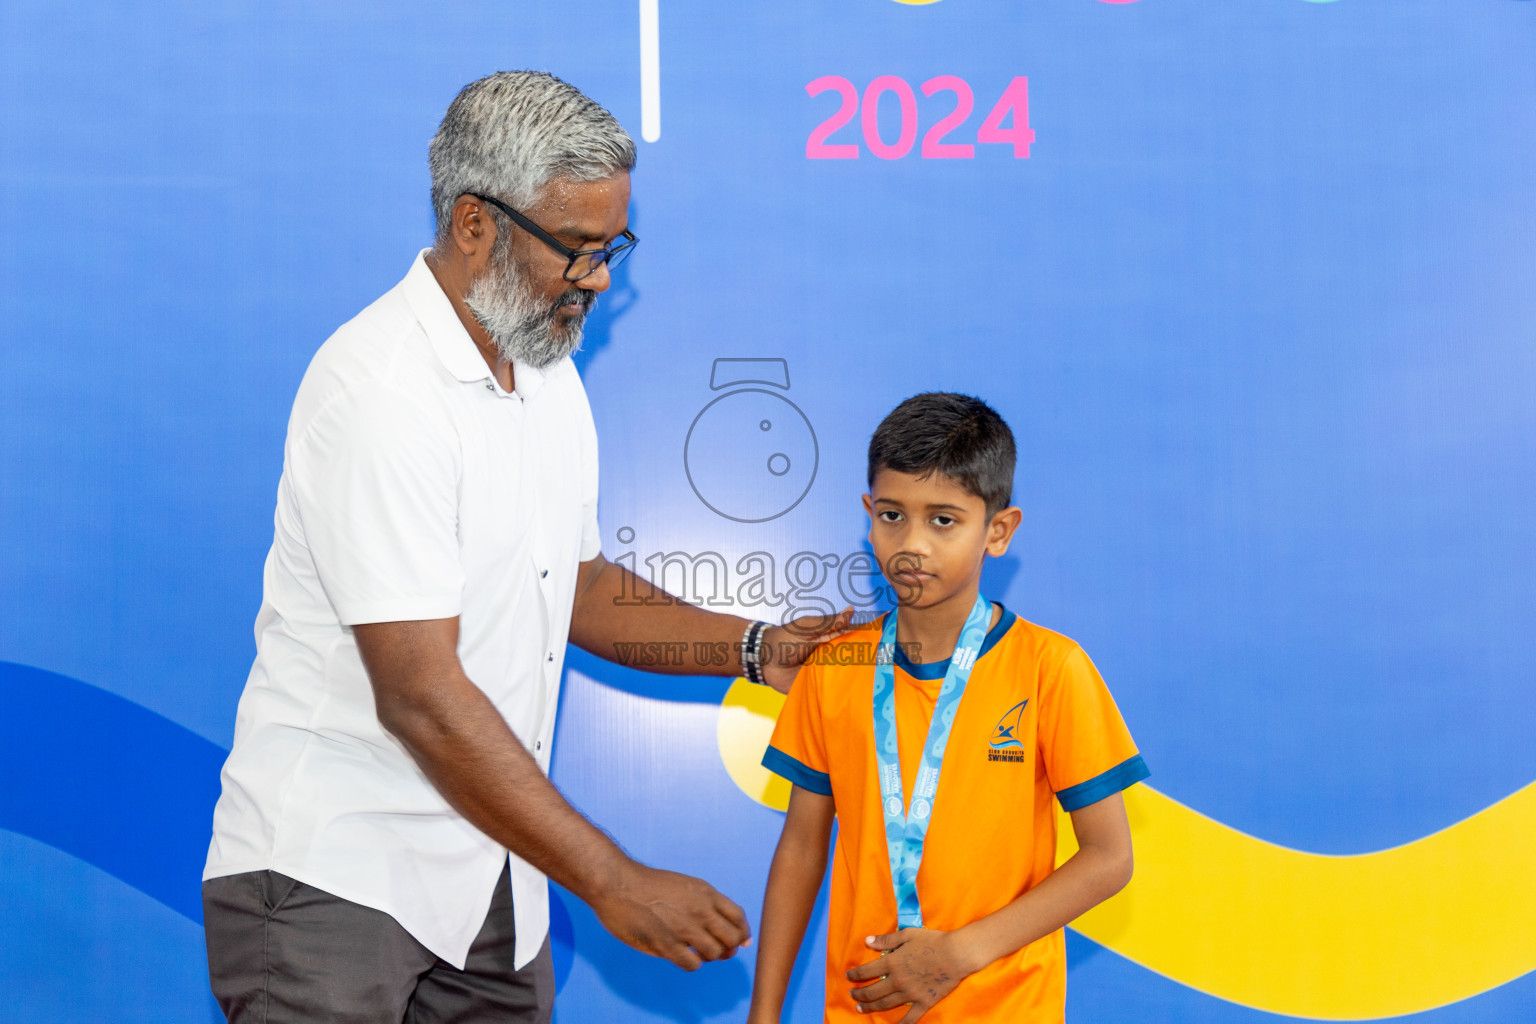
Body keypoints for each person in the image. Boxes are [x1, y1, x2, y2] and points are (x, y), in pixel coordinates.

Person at [201, 71, 846, 1024]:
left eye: (614, 246)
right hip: (332, 885)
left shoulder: (545, 371)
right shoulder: (380, 392)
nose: (600, 278)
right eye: (578, 250)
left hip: (494, 883)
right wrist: (613, 879)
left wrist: (754, 650)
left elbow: (572, 585)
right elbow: (420, 692)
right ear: (475, 225)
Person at [746, 393, 1150, 1024]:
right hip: (860, 1006)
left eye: (943, 520)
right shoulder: (832, 670)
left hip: (1006, 1006)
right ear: (867, 516)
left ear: (998, 530)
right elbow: (801, 849)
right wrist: (764, 1014)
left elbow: (1109, 858)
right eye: (891, 515)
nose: (912, 545)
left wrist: (960, 953)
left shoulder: (1051, 669)